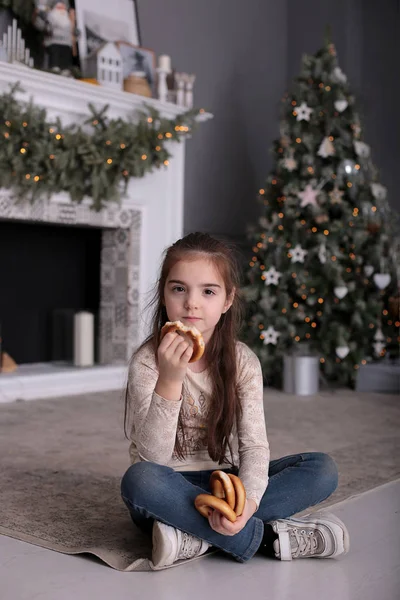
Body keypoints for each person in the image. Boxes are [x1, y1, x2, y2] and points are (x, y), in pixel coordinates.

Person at [121, 232, 350, 569]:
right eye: (179, 288)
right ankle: (269, 540)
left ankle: (195, 537)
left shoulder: (242, 362)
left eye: (208, 291)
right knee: (138, 480)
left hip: (229, 483)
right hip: (170, 486)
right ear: (164, 294)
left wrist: (249, 504)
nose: (192, 303)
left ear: (228, 300)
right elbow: (153, 457)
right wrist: (170, 379)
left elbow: (254, 447)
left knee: (322, 469)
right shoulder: (147, 361)